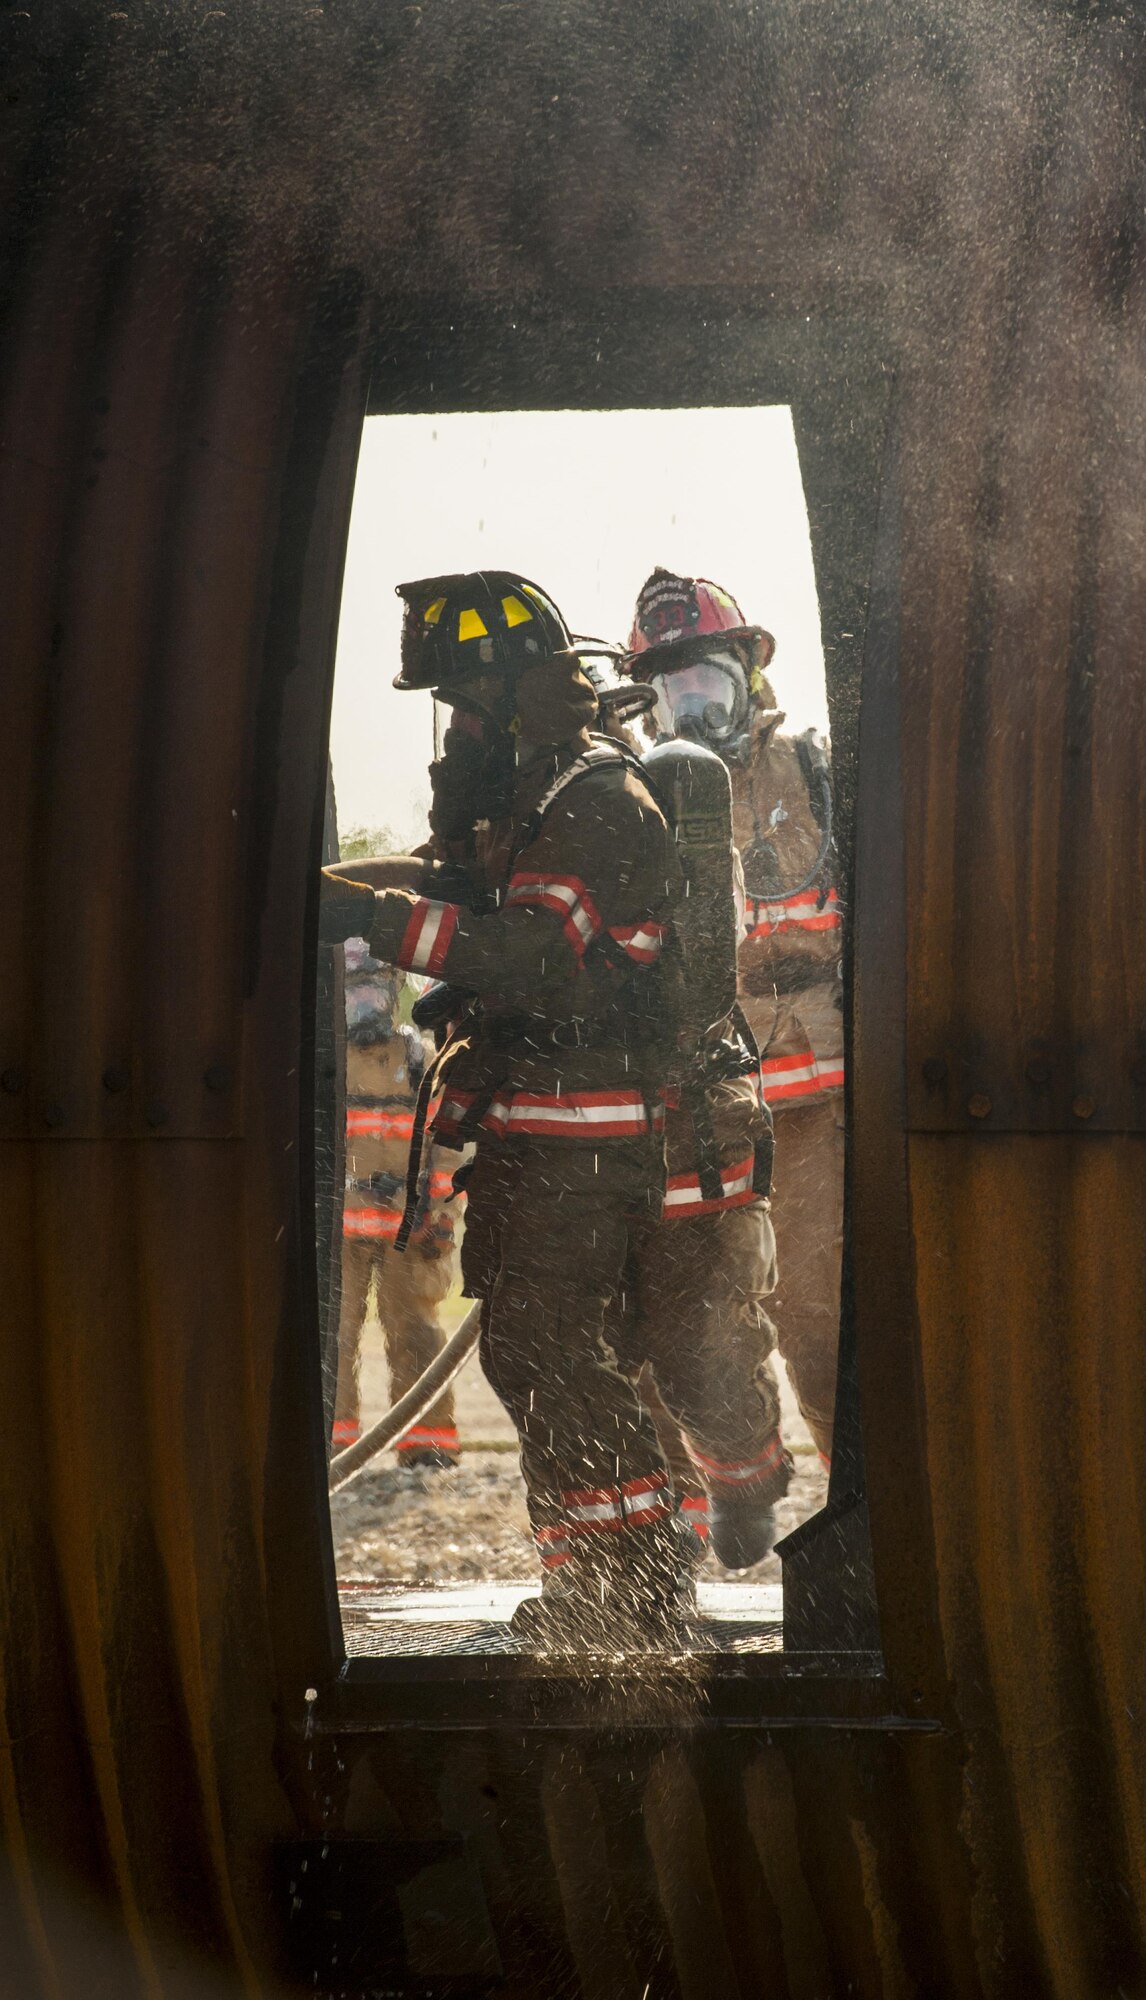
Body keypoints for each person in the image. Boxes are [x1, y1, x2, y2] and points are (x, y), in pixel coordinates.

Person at [320, 570, 697, 1651]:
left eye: (468, 706)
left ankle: (630, 1591)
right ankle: (598, 1581)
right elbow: (456, 881)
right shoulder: (536, 801)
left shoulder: (591, 800)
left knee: (557, 1355)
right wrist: (324, 888)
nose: (458, 731)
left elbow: (529, 956)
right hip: (545, 1136)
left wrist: (368, 919)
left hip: (592, 1139)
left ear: (522, 692)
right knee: (536, 1355)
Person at [625, 569, 844, 1467]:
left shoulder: (818, 774)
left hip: (815, 1104)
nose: (694, 711)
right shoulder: (631, 796)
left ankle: (853, 1512)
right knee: (672, 1323)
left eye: (707, 683)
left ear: (748, 676)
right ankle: (701, 1504)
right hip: (694, 1111)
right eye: (672, 693)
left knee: (822, 1316)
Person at [329, 939, 462, 1467]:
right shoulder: (326, 1058)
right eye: (354, 989)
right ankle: (332, 1447)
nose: (364, 1001)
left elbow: (448, 1143)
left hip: (407, 1228)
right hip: (339, 1230)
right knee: (331, 1339)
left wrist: (442, 1215)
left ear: (392, 988)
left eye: (373, 987)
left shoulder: (419, 1057)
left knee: (417, 1334)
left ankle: (427, 1446)